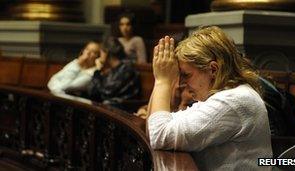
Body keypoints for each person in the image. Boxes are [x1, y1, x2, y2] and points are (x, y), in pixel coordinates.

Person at [147, 26, 272, 170]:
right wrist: (160, 79)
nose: (182, 83)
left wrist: (163, 81)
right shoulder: (217, 96)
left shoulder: (234, 100)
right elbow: (153, 129)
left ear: (213, 69)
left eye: (186, 75)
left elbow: (159, 135)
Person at [85, 37, 141, 109]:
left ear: (106, 53)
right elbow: (91, 92)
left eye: (101, 52)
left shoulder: (126, 69)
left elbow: (107, 93)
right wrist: (98, 71)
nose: (99, 56)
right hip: (109, 108)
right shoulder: (110, 69)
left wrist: (97, 72)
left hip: (122, 111)